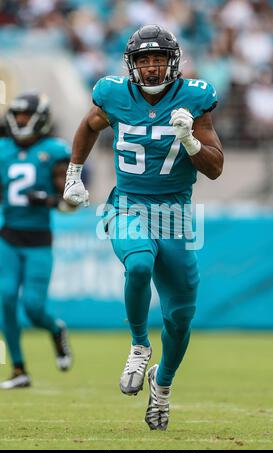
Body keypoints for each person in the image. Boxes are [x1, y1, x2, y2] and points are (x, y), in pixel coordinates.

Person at [63, 24, 223, 430]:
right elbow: (89, 124)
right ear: (131, 64)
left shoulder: (195, 98)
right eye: (143, 60)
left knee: (180, 317)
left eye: (158, 59)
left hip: (174, 215)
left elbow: (216, 168)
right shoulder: (113, 93)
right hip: (128, 204)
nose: (151, 68)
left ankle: (163, 386)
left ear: (173, 62)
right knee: (137, 265)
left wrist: (190, 141)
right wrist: (74, 173)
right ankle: (138, 345)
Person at [0, 92, 73, 389]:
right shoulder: (3, 149)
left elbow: (72, 201)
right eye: (17, 116)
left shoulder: (54, 151)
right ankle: (19, 369)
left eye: (25, 116)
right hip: (7, 236)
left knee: (32, 307)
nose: (20, 121)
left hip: (39, 239)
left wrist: (46, 199)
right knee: (4, 298)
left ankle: (55, 329)